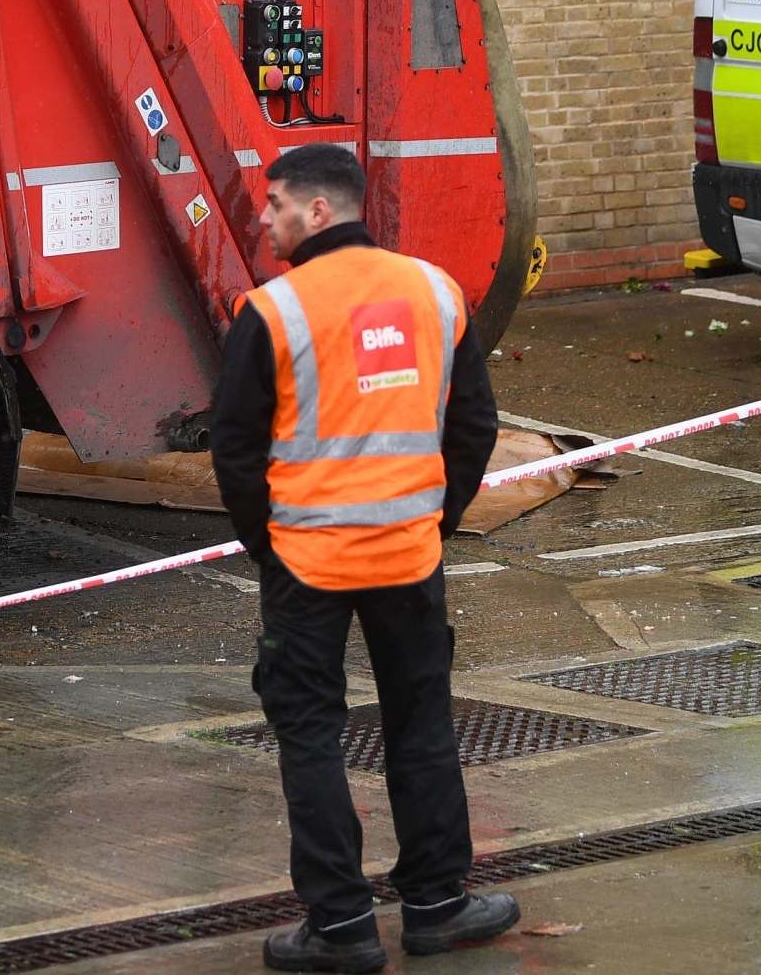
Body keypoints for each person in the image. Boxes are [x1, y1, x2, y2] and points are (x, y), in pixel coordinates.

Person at [209, 143, 515, 973]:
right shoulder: (434, 291)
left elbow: (233, 452)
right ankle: (439, 906)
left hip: (307, 566)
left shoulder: (271, 312)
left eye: (273, 205)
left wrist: (270, 549)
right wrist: (433, 519)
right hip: (410, 558)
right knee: (420, 727)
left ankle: (340, 926)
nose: (263, 219)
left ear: (317, 212)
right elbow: (474, 425)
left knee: (310, 734)